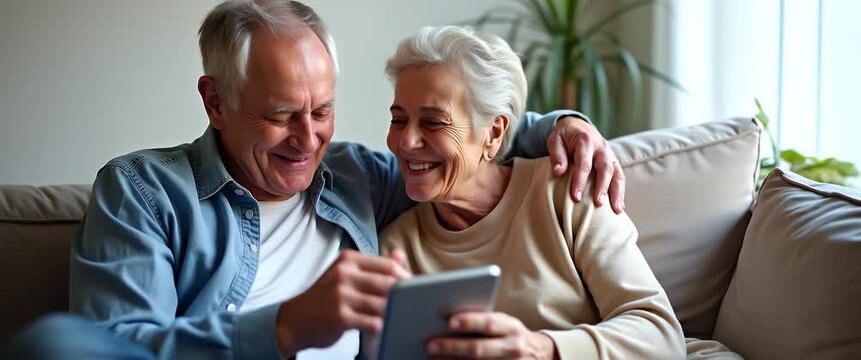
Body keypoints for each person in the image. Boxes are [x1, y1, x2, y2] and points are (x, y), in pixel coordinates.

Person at [3, 1, 626, 359]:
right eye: (280, 117)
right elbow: (119, 347)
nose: (308, 141)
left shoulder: (359, 176)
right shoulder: (143, 191)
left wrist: (559, 126)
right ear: (215, 102)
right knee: (56, 344)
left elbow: (459, 141)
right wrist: (283, 327)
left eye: (322, 111)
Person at [379, 26, 685, 359]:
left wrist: (544, 349)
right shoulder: (397, 249)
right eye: (398, 120)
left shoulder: (568, 194)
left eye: (434, 122)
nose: (406, 142)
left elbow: (661, 334)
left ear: (494, 133)